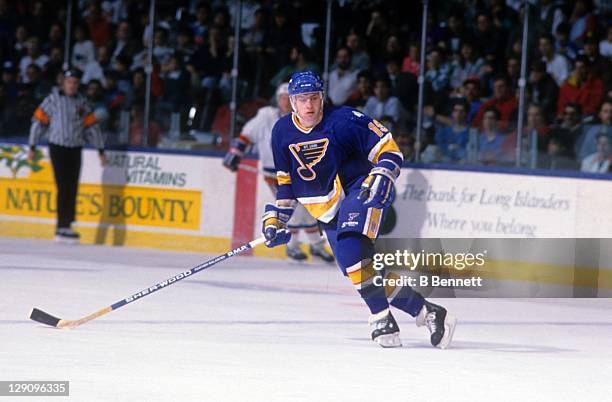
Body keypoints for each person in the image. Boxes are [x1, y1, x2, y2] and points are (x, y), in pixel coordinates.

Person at [261, 71, 456, 348]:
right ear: (291, 101)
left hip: (361, 190)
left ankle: (381, 317)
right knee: (361, 270)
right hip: (326, 209)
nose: (309, 105)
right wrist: (276, 219)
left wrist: (384, 173)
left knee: (353, 251)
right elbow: (286, 182)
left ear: (321, 97)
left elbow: (390, 150)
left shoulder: (344, 120)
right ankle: (428, 312)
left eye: (314, 97)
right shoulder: (281, 131)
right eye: (302, 99)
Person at [223, 83, 334, 262]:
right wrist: (235, 153)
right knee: (295, 209)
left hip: (299, 174)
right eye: (282, 98)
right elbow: (247, 134)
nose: (285, 102)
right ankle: (295, 246)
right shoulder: (266, 116)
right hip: (275, 175)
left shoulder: (304, 119)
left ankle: (314, 246)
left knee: (306, 208)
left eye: (288, 98)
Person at [27, 69, 107, 243]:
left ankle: (67, 224)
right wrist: (32, 146)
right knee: (63, 185)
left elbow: (93, 128)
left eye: (75, 83)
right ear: (63, 82)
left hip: (75, 148)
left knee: (72, 186)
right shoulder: (52, 100)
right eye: (70, 82)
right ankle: (61, 226)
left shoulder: (82, 103)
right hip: (58, 147)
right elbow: (38, 122)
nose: (72, 85)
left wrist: (100, 150)